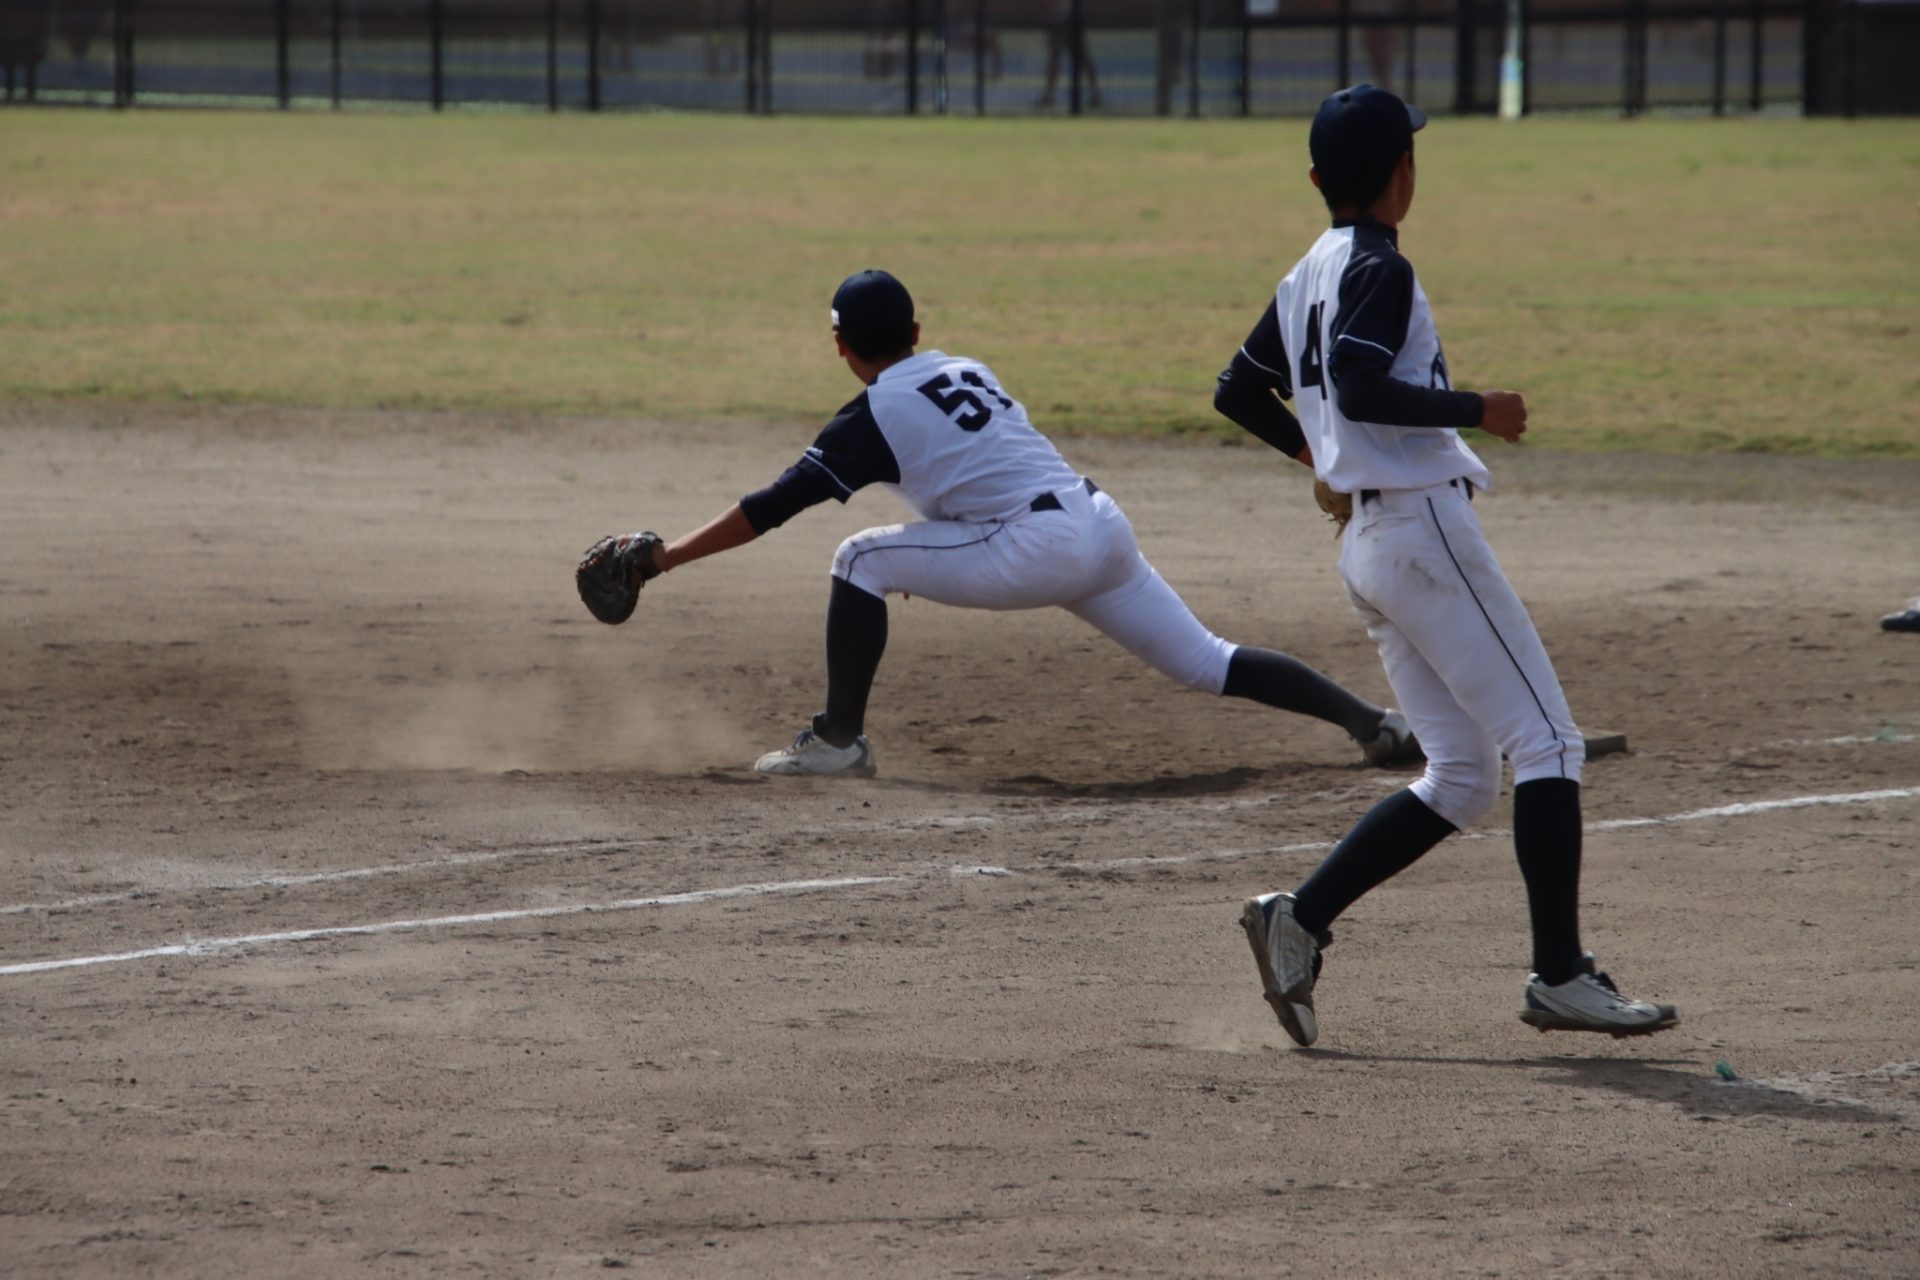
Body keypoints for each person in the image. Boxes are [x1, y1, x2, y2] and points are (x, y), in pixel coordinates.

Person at [1213, 86, 1678, 1045]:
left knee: (1462, 778)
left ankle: (1298, 917)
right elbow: (1358, 379)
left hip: (1371, 551)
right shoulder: (1380, 264)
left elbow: (1239, 390)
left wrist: (1323, 460)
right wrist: (1478, 409)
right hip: (1422, 537)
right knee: (1549, 744)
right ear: (1404, 174)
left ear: (1314, 180)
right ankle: (1559, 976)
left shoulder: (1307, 268)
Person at [632, 269, 1421, 779]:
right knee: (1206, 660)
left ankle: (840, 740)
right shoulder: (964, 366)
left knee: (858, 562)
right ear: (915, 331)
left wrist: (664, 559)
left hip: (1032, 546)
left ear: (840, 347)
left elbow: (772, 508)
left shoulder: (869, 415)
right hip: (1098, 524)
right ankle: (1374, 724)